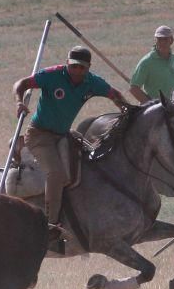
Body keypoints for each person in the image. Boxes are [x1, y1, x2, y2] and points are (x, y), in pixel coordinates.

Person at [13, 45, 128, 250]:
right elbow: (21, 83)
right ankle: (49, 226)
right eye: (73, 66)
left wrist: (126, 109)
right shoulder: (52, 76)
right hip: (40, 136)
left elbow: (114, 94)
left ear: (88, 68)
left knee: (92, 161)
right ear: (67, 64)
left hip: (63, 135)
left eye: (81, 68)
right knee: (56, 175)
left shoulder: (93, 82)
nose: (77, 71)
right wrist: (19, 102)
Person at [129, 25, 174, 108]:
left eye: (165, 39)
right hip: (155, 112)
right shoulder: (146, 62)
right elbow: (134, 89)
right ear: (156, 41)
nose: (162, 42)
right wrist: (151, 105)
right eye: (159, 39)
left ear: (171, 40)